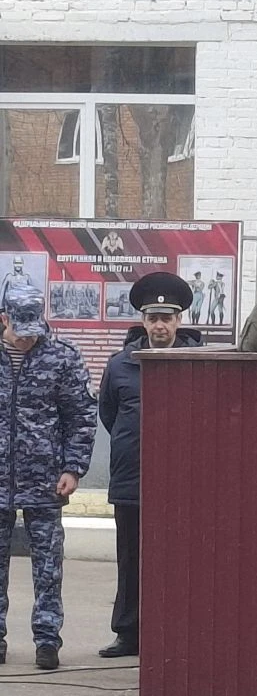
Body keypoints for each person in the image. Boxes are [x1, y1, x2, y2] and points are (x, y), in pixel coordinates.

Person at [97, 273, 202, 659]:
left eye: (167, 318)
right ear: (143, 320)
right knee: (131, 558)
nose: (160, 326)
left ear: (179, 321)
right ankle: (129, 633)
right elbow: (109, 414)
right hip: (133, 478)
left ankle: (178, 633)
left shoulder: (199, 363)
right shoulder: (119, 365)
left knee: (182, 559)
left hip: (185, 480)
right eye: (153, 318)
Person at [0, 286, 96, 671]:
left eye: (33, 331)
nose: (27, 339)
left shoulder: (62, 356)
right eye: (20, 331)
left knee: (48, 566)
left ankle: (47, 639)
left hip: (45, 478)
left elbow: (81, 416)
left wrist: (73, 467)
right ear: (3, 319)